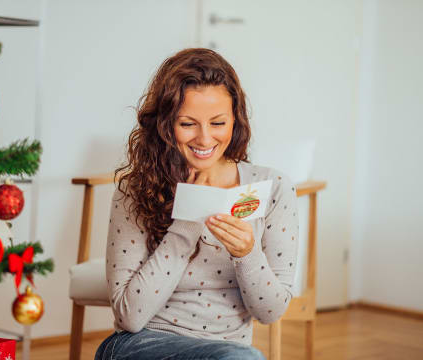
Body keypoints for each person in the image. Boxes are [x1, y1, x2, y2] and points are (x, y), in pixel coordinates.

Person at [95, 48, 298, 360]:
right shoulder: (139, 189)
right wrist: (188, 223)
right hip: (143, 343)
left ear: (235, 120)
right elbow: (129, 316)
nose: (204, 139)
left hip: (229, 351)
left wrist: (247, 253)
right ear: (164, 124)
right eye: (187, 124)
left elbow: (270, 312)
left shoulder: (272, 189)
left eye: (218, 122)